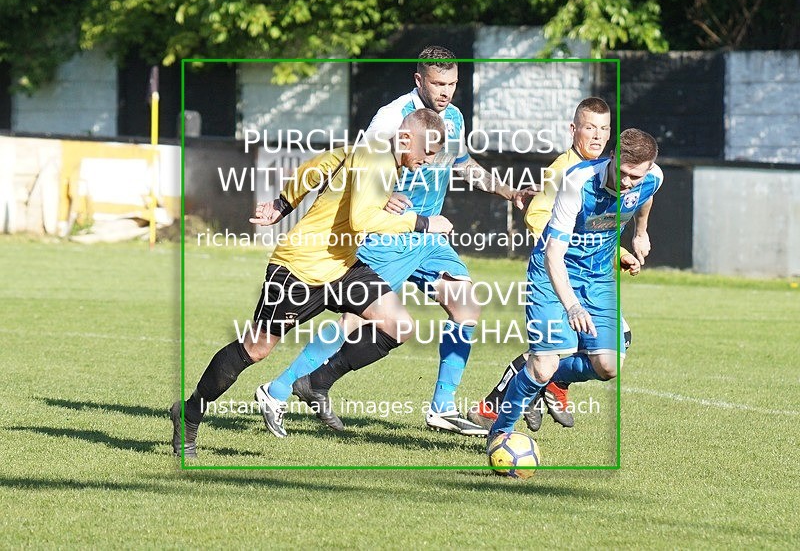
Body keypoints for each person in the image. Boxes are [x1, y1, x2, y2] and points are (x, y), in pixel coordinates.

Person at [254, 45, 533, 438]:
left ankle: (442, 408)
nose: (446, 92)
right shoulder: (392, 116)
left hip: (429, 236)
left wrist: (509, 192)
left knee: (466, 306)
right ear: (419, 80)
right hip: (390, 234)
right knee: (353, 320)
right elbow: (358, 163)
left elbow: (462, 164)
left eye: (452, 84)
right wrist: (382, 196)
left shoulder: (453, 118)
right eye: (437, 83)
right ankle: (279, 389)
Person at [171, 109, 452, 457]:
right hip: (298, 268)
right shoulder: (376, 159)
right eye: (428, 151)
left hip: (341, 267)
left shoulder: (372, 151)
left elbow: (316, 167)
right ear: (407, 138)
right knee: (256, 349)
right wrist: (423, 223)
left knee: (399, 325)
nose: (429, 160)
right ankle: (190, 413)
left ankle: (315, 383)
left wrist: (283, 203)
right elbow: (362, 219)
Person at [468, 98, 652, 432]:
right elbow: (538, 216)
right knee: (547, 357)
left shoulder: (623, 174)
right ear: (573, 130)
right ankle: (495, 410)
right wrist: (562, 252)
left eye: (604, 129)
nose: (597, 136)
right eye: (589, 128)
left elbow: (605, 223)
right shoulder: (565, 172)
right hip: (558, 272)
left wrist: (624, 249)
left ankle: (539, 389)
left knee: (606, 350)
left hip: (592, 277)